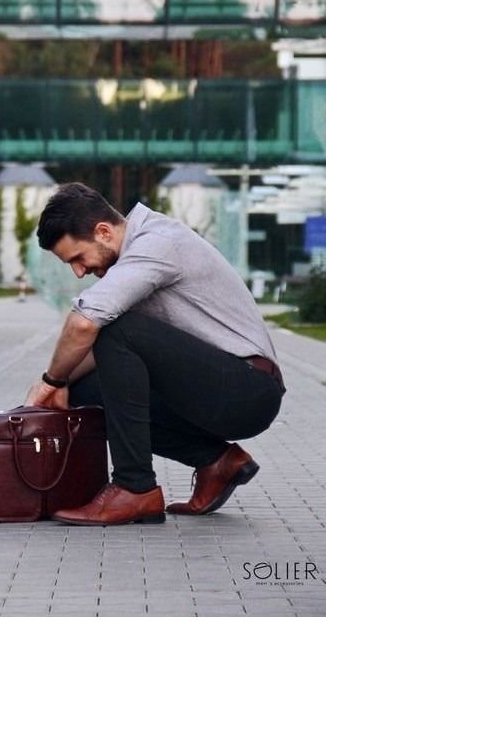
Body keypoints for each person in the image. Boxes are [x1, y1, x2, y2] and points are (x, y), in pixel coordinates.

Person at [23, 183, 285, 526]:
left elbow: (85, 324)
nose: (79, 271)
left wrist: (51, 380)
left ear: (103, 232)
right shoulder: (133, 259)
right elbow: (100, 349)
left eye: (77, 258)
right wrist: (58, 389)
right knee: (85, 391)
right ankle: (217, 461)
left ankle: (134, 487)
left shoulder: (157, 243)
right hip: (214, 387)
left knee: (113, 328)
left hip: (248, 390)